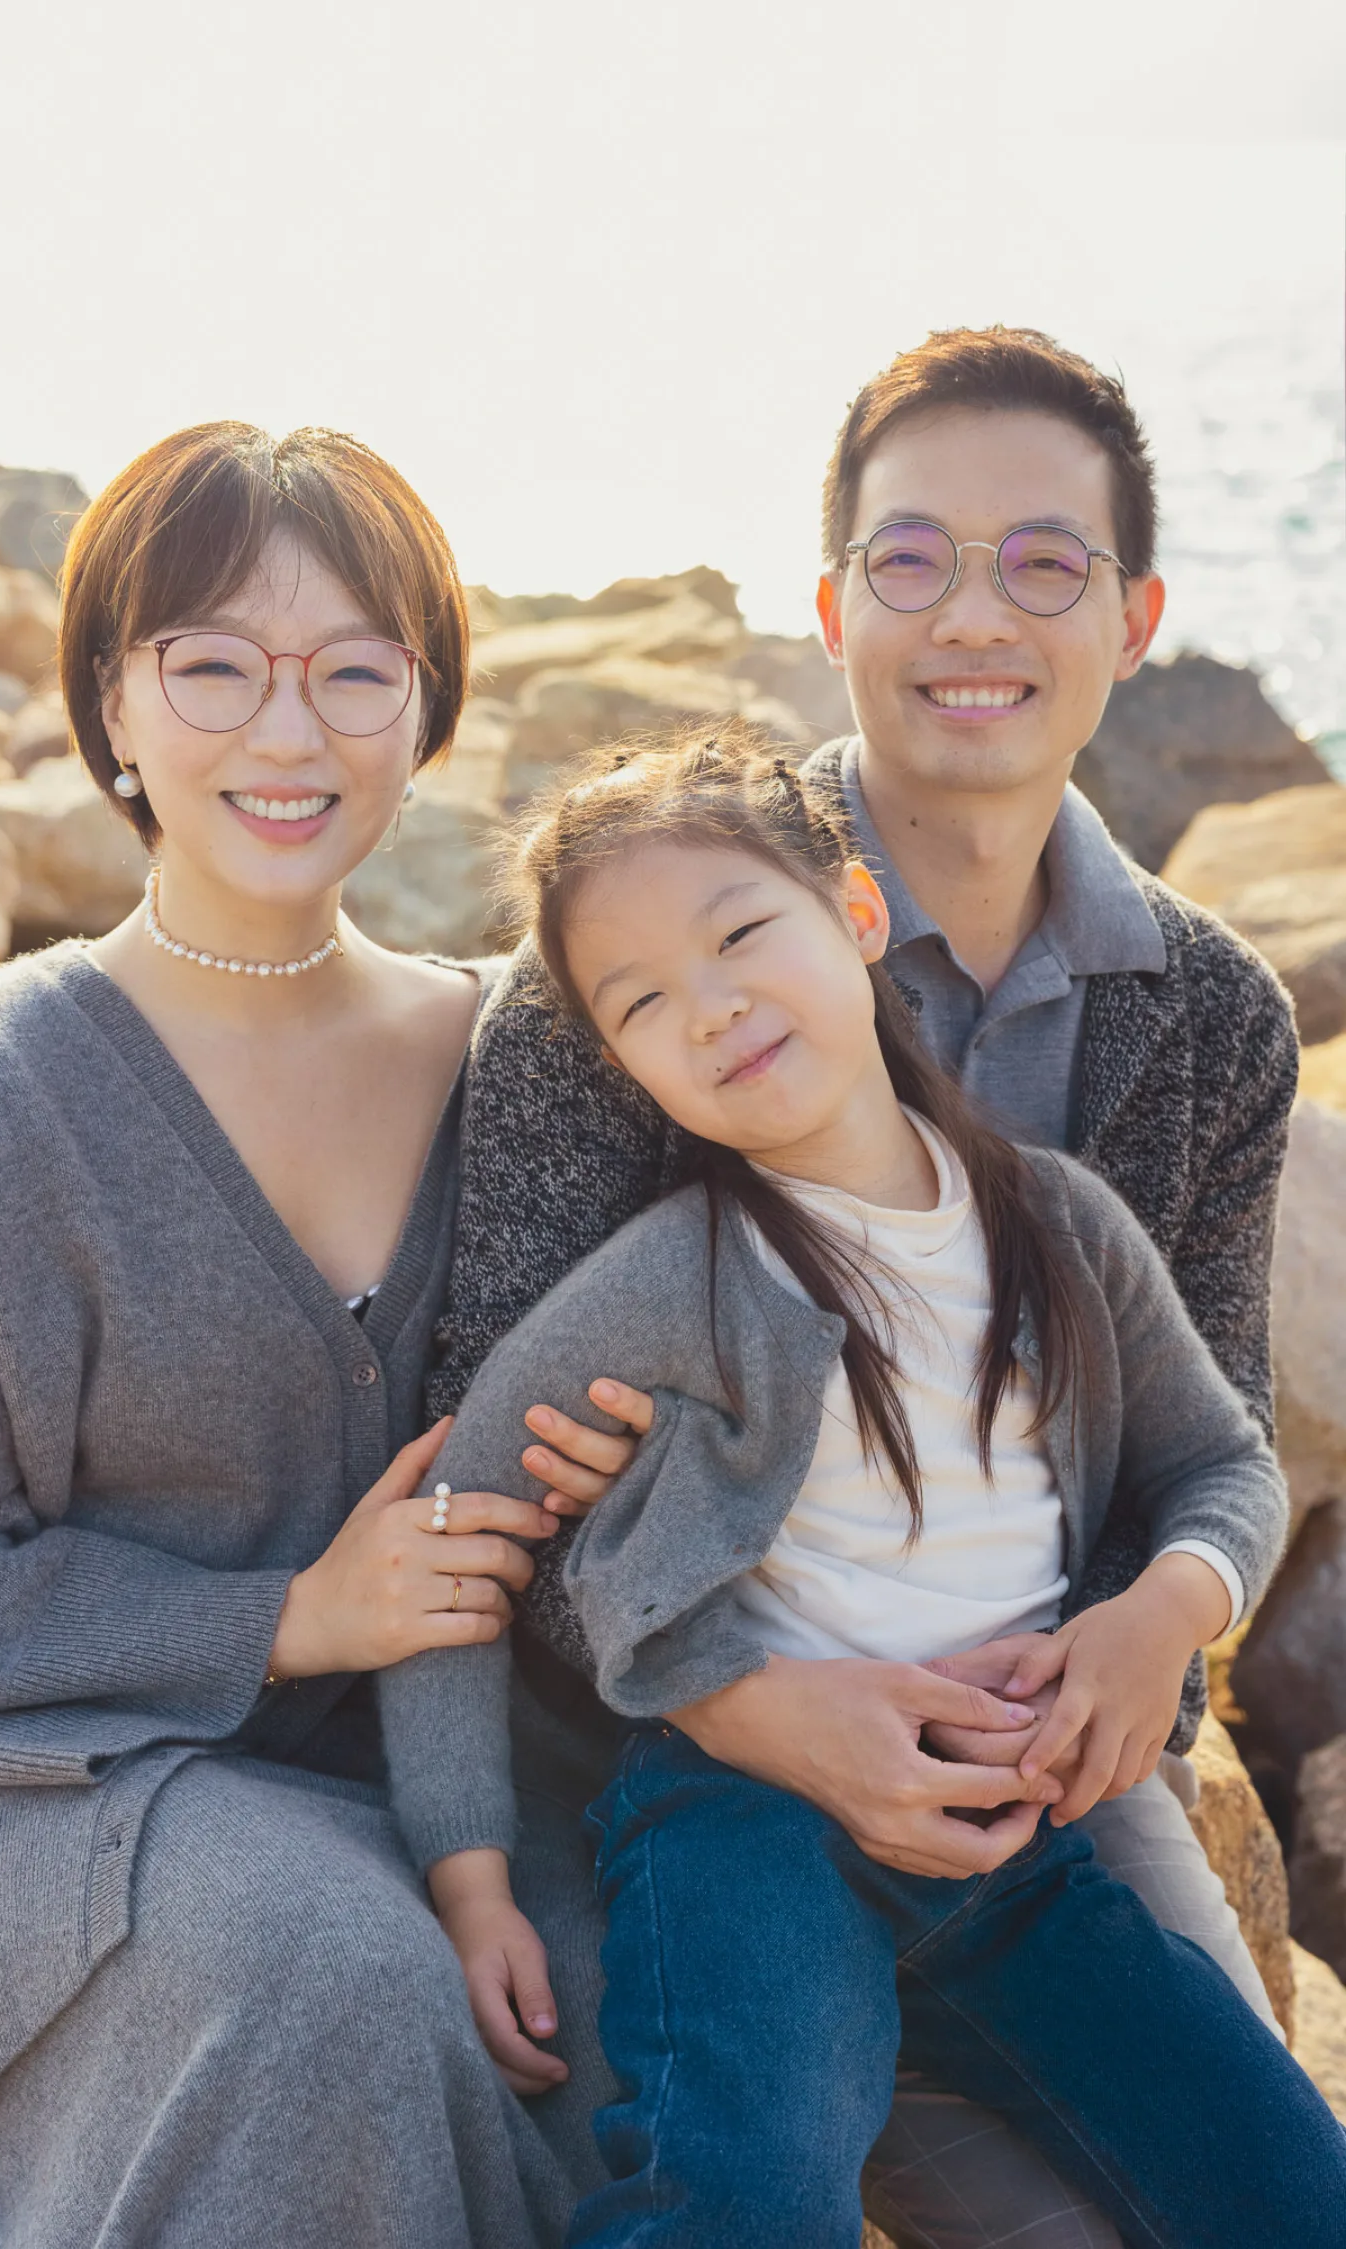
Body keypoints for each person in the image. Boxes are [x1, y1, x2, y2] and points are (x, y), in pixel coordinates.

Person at [429, 327, 1299, 2245]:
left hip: (1031, 1778)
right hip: (691, 1770)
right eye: (913, 559)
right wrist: (757, 1708)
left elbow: (1199, 1453)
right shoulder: (650, 938)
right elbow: (514, 1468)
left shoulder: (1215, 1021)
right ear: (833, 605)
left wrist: (1147, 1651)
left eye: (1043, 562)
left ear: (1135, 614)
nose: (973, 613)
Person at [0, 420, 621, 2247]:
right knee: (324, 1979)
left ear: (426, 720)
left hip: (453, 1792)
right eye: (213, 664)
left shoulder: (530, 1056)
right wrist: (286, 1618)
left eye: (359, 670)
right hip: (26, 1797)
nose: (291, 733)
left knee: (654, 2010)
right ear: (112, 704)